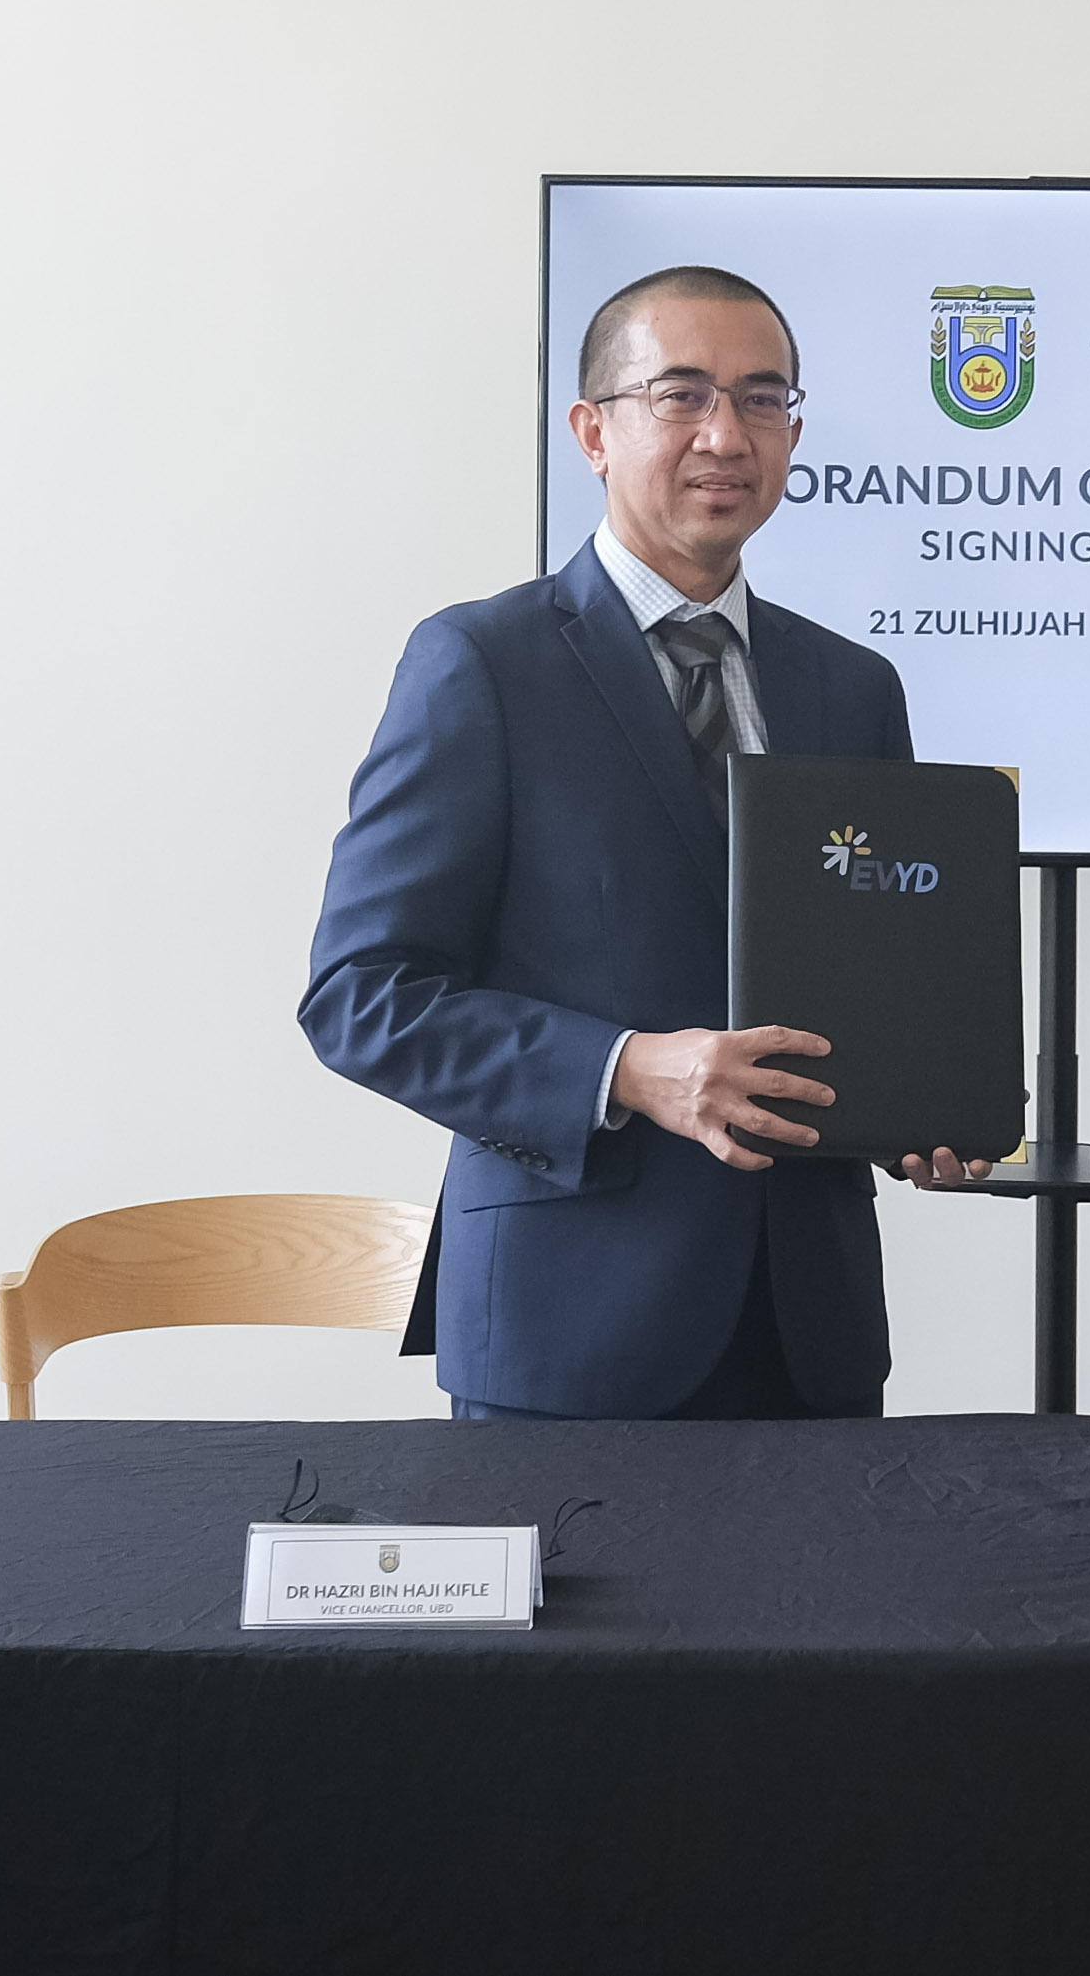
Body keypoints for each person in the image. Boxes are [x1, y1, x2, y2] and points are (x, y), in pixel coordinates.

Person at [302, 265, 982, 1421]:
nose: (728, 433)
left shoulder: (850, 686)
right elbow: (361, 996)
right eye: (682, 395)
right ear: (593, 430)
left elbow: (867, 973)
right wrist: (629, 1067)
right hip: (567, 1329)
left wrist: (918, 1107)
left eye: (764, 399)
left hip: (807, 1331)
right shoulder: (481, 665)